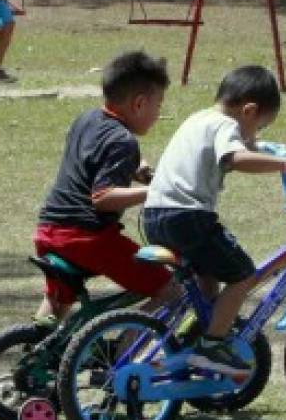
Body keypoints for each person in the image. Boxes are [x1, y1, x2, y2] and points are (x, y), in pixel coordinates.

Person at [141, 65, 286, 376]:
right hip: (188, 217)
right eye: (259, 128)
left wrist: (264, 148)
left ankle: (194, 337)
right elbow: (236, 157)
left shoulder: (200, 118)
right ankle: (211, 346)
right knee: (243, 275)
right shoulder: (224, 126)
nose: (256, 136)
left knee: (209, 285)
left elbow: (243, 147)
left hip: (155, 215)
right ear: (248, 110)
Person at [33, 50, 178, 326]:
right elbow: (103, 197)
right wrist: (157, 191)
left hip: (49, 229)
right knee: (171, 291)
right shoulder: (123, 141)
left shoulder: (87, 119)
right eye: (158, 105)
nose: (158, 114)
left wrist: (140, 170)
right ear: (139, 104)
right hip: (87, 238)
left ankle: (33, 359)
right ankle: (120, 357)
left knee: (59, 300)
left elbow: (94, 158)